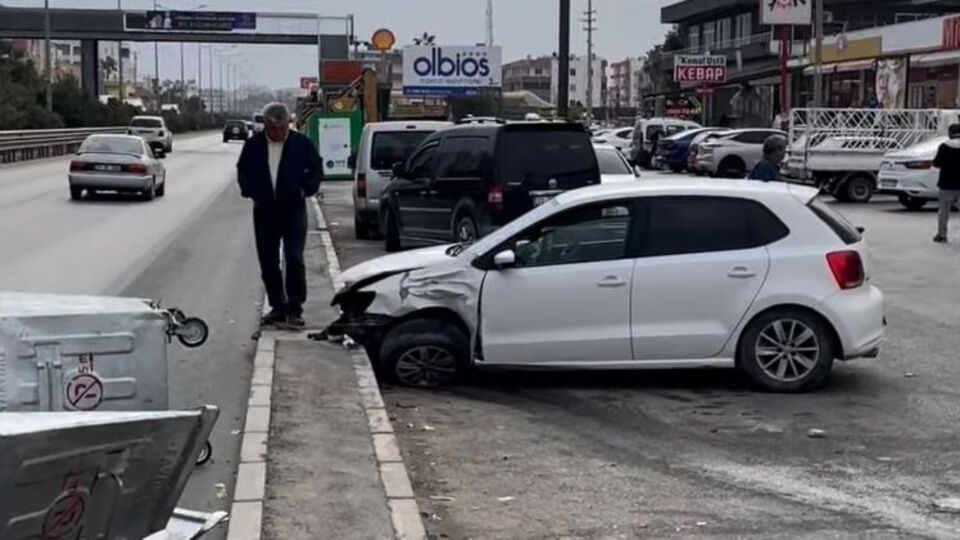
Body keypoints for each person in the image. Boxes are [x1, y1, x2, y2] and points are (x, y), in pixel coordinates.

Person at [237, 102, 323, 328]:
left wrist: (305, 189)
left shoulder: (301, 144)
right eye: (273, 129)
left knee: (294, 258)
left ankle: (295, 308)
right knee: (268, 260)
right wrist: (250, 190)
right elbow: (243, 170)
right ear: (265, 125)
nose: (278, 133)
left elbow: (316, 168)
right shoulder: (254, 145)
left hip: (293, 210)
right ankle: (277, 306)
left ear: (288, 124)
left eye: (282, 128)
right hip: (265, 211)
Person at [932, 123, 960, 243]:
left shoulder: (944, 146)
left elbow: (936, 163)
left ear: (950, 133)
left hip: (947, 183)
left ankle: (942, 234)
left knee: (944, 211)